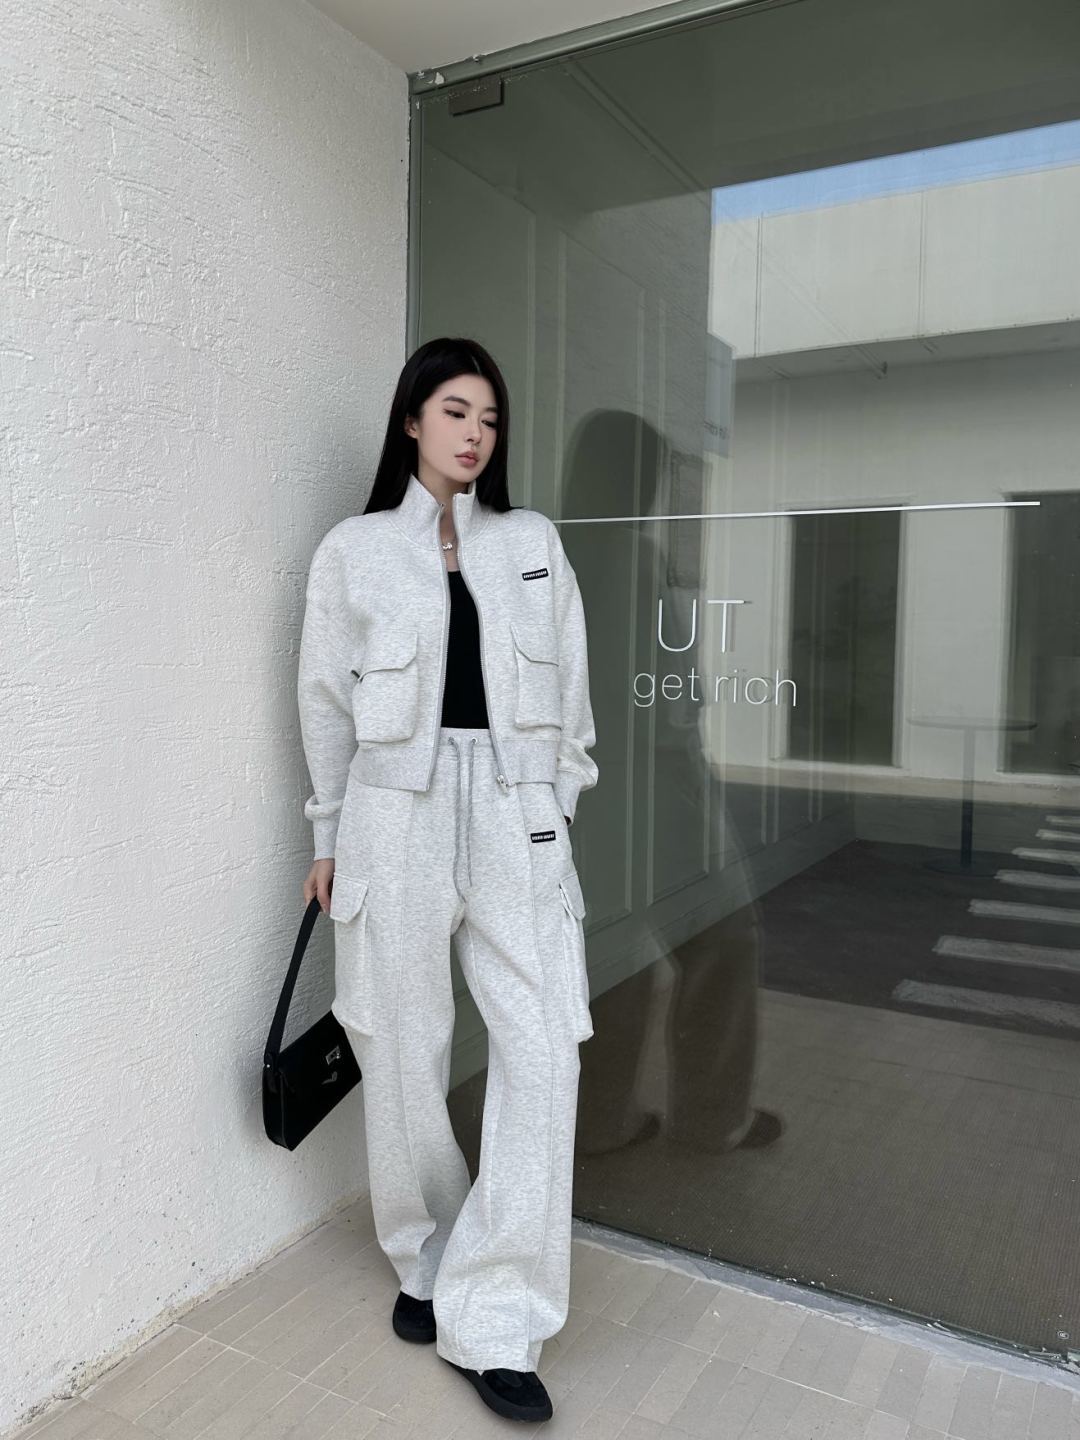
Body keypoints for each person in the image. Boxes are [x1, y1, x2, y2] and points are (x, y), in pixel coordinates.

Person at [296, 336, 599, 1423]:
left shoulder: (531, 541)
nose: (476, 433)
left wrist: (552, 813)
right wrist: (328, 837)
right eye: (457, 411)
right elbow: (325, 700)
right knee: (400, 1042)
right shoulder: (355, 551)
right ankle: (426, 1254)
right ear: (413, 420)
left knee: (543, 1047)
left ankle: (500, 1311)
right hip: (394, 813)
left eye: (491, 418)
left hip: (515, 811)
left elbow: (572, 694)